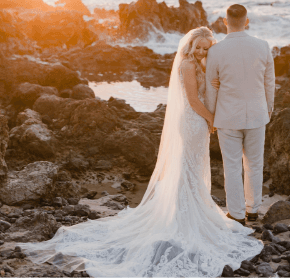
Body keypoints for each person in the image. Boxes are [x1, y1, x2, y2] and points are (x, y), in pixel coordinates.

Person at [19, 26, 263, 278]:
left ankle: (194, 210)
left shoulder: (202, 63)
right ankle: (181, 216)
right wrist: (211, 119)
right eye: (198, 47)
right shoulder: (188, 65)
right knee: (187, 166)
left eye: (206, 47)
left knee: (193, 165)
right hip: (192, 121)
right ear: (189, 46)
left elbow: (209, 89)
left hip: (198, 122)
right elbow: (192, 99)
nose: (201, 50)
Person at [206, 4, 275, 225]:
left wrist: (211, 116)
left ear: (225, 21)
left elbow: (211, 87)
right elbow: (269, 82)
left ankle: (236, 214)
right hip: (257, 114)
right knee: (254, 164)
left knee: (232, 166)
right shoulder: (263, 46)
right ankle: (253, 209)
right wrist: (269, 108)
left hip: (227, 116)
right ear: (247, 21)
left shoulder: (215, 51)